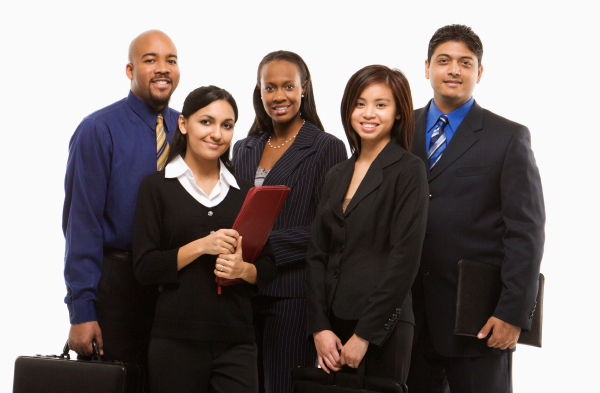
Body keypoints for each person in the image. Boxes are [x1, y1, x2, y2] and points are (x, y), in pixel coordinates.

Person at [407, 24, 545, 393]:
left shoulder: (508, 137)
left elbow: (526, 232)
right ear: (426, 68)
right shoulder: (400, 130)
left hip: (478, 317)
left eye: (465, 63)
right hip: (407, 318)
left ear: (479, 73)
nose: (454, 70)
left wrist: (513, 313)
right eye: (444, 61)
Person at [133, 85, 276, 392]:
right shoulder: (156, 187)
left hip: (237, 340)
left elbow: (267, 265)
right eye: (206, 122)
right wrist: (202, 246)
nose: (217, 134)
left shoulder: (245, 192)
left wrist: (243, 271)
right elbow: (144, 267)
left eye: (227, 125)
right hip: (175, 341)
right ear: (183, 124)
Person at [62, 29, 180, 370]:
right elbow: (81, 224)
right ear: (130, 71)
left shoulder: (186, 128)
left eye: (170, 60)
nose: (162, 68)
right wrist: (82, 310)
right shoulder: (98, 129)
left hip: (173, 288)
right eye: (150, 60)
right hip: (116, 286)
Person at [232, 50, 347, 393]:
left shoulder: (326, 147)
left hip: (292, 294)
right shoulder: (244, 147)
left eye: (287, 86)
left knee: (282, 386)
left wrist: (261, 246)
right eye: (269, 87)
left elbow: (328, 227)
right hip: (241, 293)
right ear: (259, 91)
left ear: (304, 89)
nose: (278, 96)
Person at [305, 65, 429, 383]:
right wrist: (319, 327)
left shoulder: (409, 170)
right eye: (359, 103)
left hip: (383, 328)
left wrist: (365, 335)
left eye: (380, 104)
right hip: (333, 328)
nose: (368, 113)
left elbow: (404, 259)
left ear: (399, 113)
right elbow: (318, 253)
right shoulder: (336, 174)